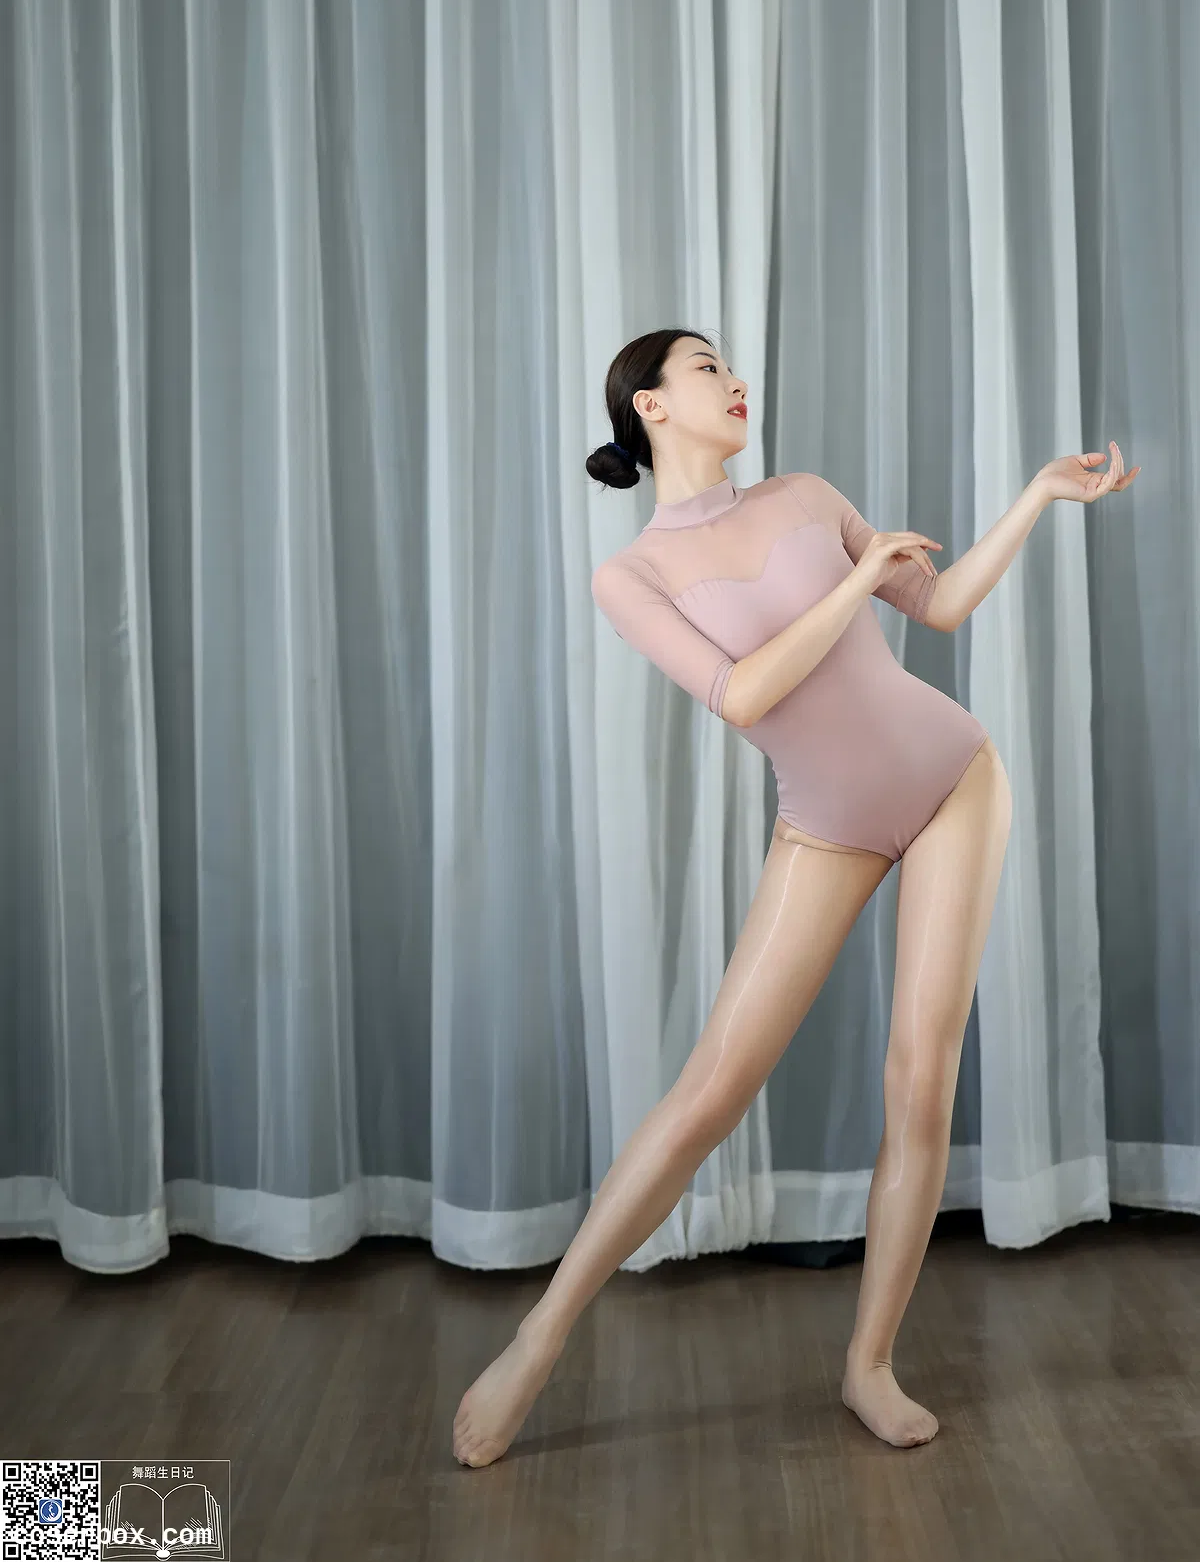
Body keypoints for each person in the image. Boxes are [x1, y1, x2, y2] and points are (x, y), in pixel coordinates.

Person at [452, 326, 1139, 1467]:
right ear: (649, 406)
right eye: (706, 368)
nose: (735, 382)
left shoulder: (807, 494)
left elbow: (941, 604)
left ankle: (870, 1363)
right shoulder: (631, 575)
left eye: (733, 367)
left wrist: (1036, 495)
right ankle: (539, 1335)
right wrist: (856, 583)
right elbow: (742, 693)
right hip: (825, 823)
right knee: (708, 1093)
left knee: (920, 1076)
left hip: (955, 780)